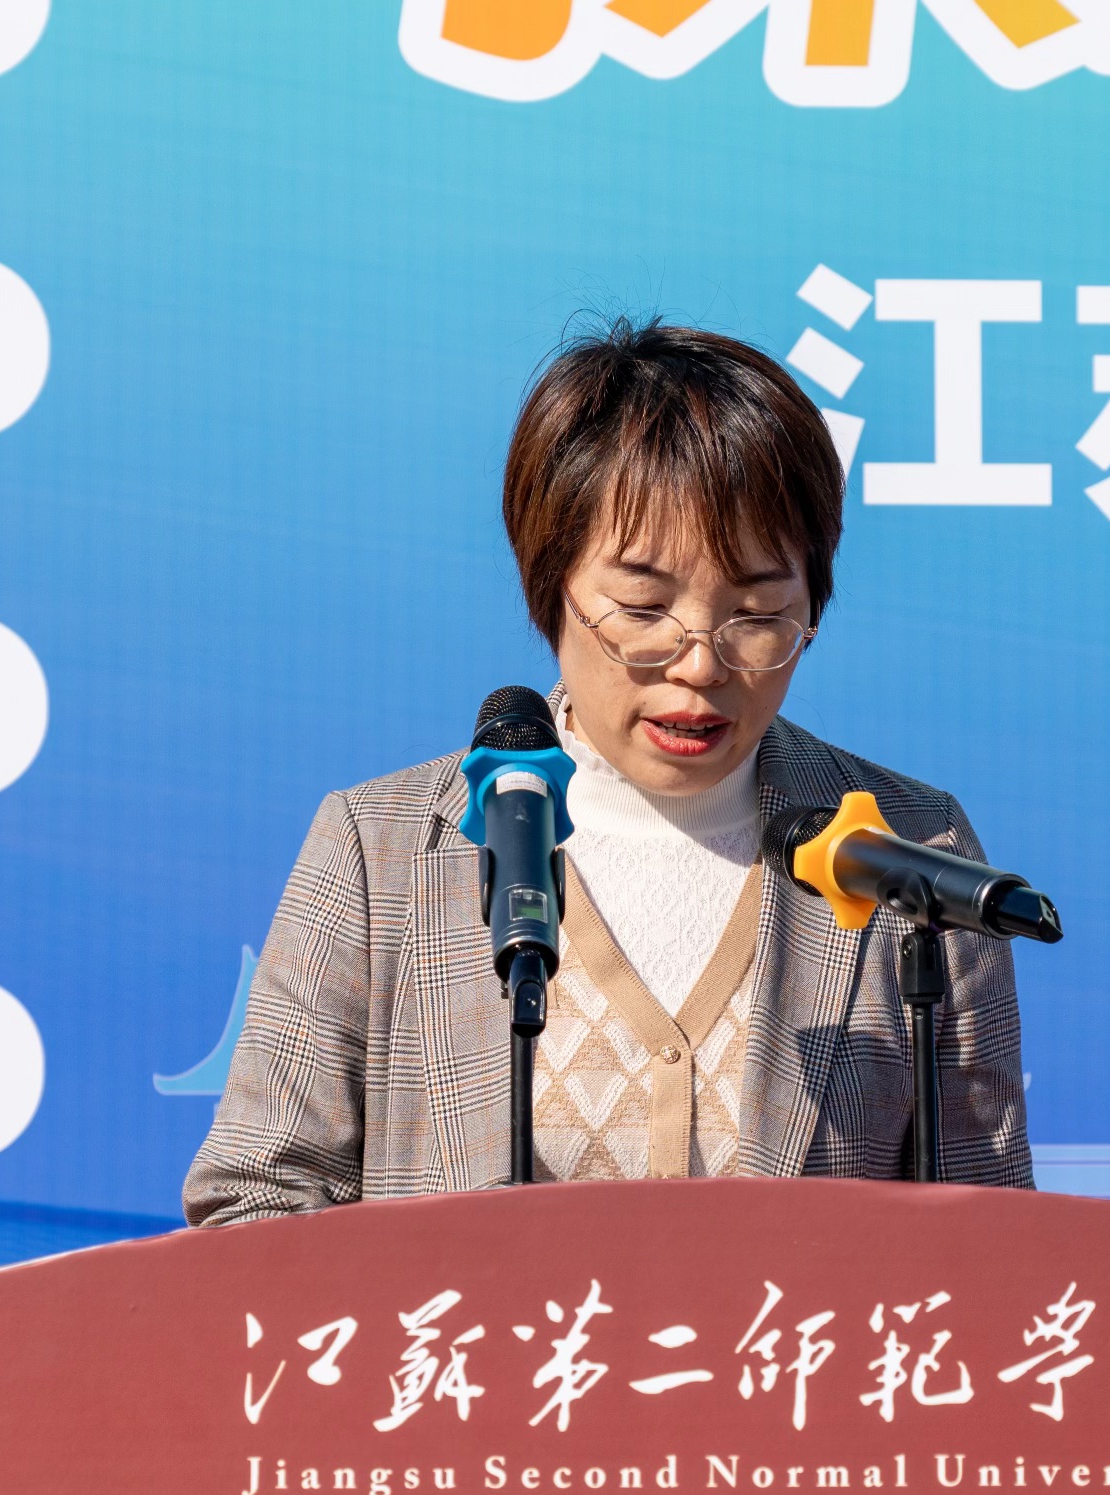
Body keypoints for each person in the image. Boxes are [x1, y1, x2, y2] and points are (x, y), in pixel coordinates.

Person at [185, 318, 1028, 1223]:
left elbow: (992, 1245)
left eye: (757, 614)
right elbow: (253, 1204)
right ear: (552, 586)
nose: (699, 664)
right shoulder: (380, 852)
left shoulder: (912, 850)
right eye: (643, 607)